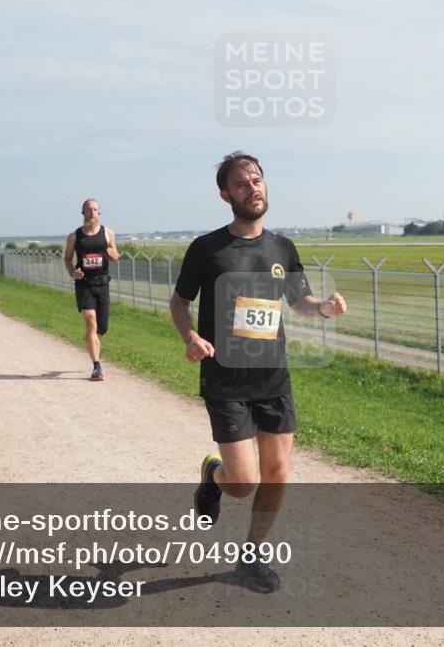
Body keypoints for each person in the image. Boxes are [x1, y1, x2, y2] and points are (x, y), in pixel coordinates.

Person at [169, 151, 347, 594]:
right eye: (242, 183)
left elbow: (299, 302)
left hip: (272, 378)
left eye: (258, 180)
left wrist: (322, 308)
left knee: (278, 471)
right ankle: (214, 476)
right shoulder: (206, 249)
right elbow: (178, 303)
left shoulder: (282, 248)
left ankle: (251, 556)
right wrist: (191, 337)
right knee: (244, 483)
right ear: (225, 194)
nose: (254, 188)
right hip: (225, 379)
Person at [64, 199, 119, 381]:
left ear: (99, 213)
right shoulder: (74, 237)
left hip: (102, 284)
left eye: (95, 209)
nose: (92, 212)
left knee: (101, 329)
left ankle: (91, 340)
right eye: (88, 210)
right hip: (84, 284)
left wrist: (114, 256)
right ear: (83, 213)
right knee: (91, 322)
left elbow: (115, 255)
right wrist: (73, 272)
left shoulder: (108, 233)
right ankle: (97, 367)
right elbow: (67, 259)